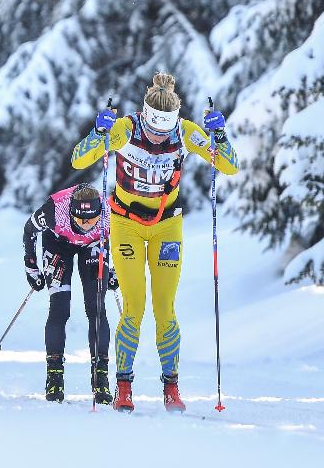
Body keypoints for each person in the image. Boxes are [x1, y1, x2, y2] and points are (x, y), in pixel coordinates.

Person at [70, 72, 238, 413]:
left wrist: (220, 137)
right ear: (145, 117)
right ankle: (123, 387)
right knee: (134, 306)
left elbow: (229, 166)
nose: (159, 138)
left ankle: (171, 388)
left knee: (165, 308)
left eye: (165, 132)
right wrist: (98, 133)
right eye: (153, 131)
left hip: (166, 227)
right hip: (126, 225)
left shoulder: (185, 132)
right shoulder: (125, 129)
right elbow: (79, 159)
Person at [23, 182, 118, 404]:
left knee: (96, 307)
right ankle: (54, 376)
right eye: (80, 219)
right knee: (60, 307)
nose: (85, 224)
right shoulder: (54, 209)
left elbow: (123, 239)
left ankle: (101, 377)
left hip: (93, 245)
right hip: (58, 243)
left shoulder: (109, 212)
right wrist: (31, 266)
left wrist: (115, 270)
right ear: (71, 211)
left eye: (91, 219)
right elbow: (29, 230)